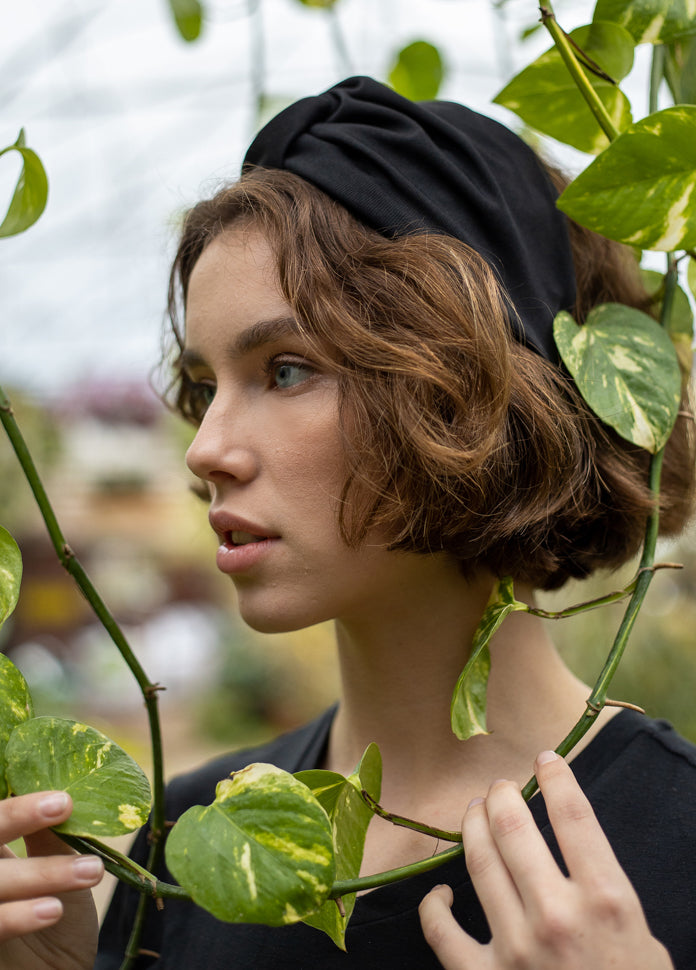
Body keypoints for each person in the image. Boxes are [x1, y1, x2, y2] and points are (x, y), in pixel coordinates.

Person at [1, 76, 695, 970]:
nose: (204, 449)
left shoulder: (674, 845)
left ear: (474, 391)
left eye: (286, 370)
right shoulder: (195, 847)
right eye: (207, 387)